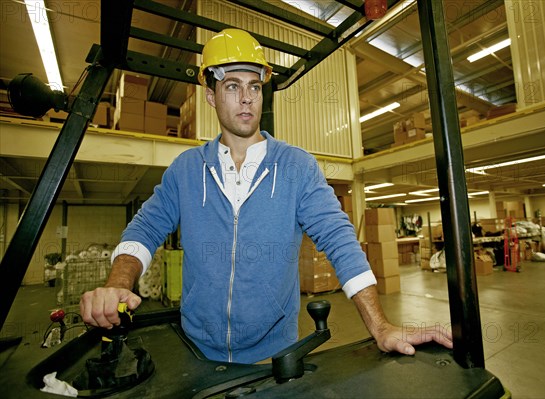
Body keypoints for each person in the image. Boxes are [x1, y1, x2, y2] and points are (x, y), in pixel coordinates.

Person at [80, 28, 452, 364]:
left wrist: (381, 325)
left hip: (274, 357)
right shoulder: (186, 170)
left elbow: (340, 241)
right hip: (196, 353)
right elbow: (145, 229)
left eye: (254, 86)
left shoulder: (297, 167)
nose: (246, 99)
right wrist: (117, 285)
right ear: (210, 95)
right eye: (232, 86)